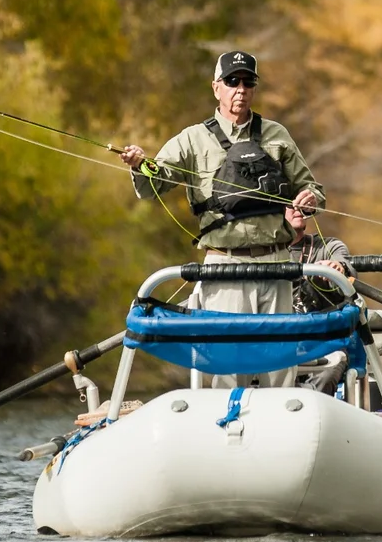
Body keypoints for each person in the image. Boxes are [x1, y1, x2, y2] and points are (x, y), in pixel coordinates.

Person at [120, 50, 323, 341]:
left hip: (277, 264)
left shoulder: (277, 134)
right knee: (229, 362)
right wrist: (140, 165)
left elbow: (312, 188)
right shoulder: (191, 139)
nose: (240, 89)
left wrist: (310, 199)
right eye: (232, 81)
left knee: (279, 362)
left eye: (247, 82)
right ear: (216, 87)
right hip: (224, 267)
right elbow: (155, 185)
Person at [286, 203, 352, 314]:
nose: (297, 207)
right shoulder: (259, 254)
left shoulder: (330, 245)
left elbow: (348, 274)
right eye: (289, 204)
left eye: (301, 203)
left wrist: (338, 267)